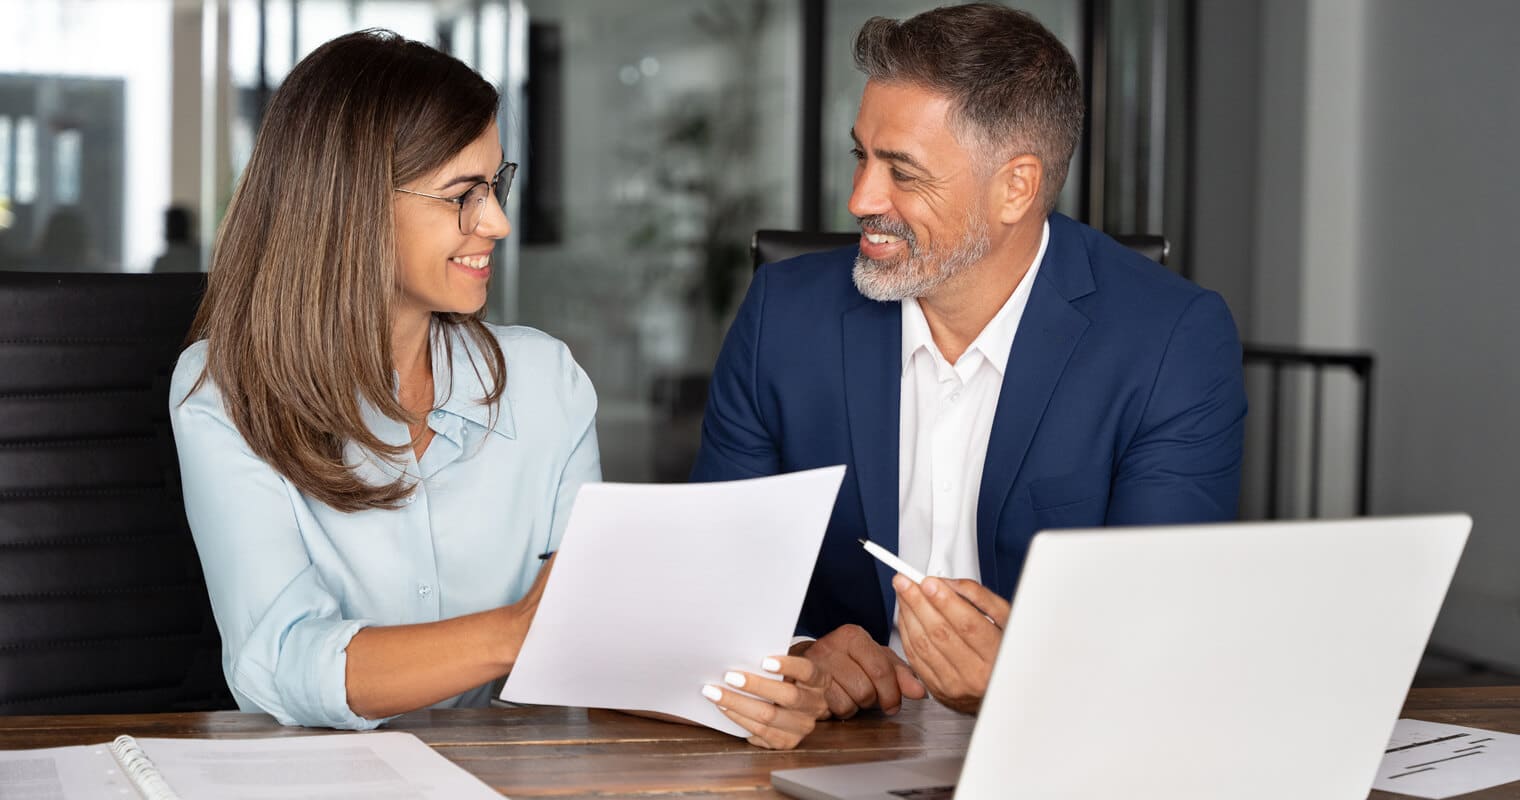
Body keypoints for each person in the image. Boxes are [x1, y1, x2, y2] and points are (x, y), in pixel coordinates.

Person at [171, 30, 825, 749]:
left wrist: (741, 689)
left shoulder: (544, 383)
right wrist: (519, 634)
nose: (499, 222)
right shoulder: (228, 392)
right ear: (352, 204)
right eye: (463, 195)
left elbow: (594, 648)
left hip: (515, 772)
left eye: (496, 184)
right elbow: (281, 659)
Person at [691, 3, 1247, 717]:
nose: (860, 197)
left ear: (1015, 186)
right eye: (861, 155)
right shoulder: (783, 316)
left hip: (1063, 744)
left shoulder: (1170, 341)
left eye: (904, 172)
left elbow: (1162, 633)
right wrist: (798, 656)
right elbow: (709, 584)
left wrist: (1027, 680)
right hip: (836, 743)